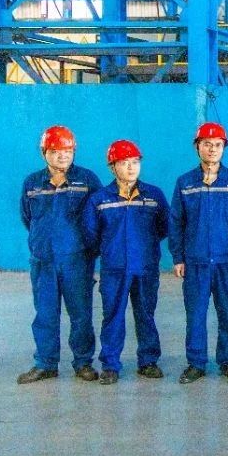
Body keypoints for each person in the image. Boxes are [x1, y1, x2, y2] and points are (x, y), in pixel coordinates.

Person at [169, 122, 228, 384]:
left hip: (227, 261)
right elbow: (176, 222)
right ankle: (196, 363)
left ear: (224, 148)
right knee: (195, 315)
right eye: (207, 144)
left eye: (218, 145)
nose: (212, 149)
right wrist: (178, 257)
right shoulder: (185, 183)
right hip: (195, 261)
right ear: (197, 147)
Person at [17, 126, 103, 384]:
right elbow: (27, 217)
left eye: (67, 150)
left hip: (77, 261)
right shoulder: (32, 183)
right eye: (55, 151)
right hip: (43, 261)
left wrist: (88, 251)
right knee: (45, 314)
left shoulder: (87, 180)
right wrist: (43, 242)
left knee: (81, 315)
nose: (62, 156)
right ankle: (45, 363)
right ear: (44, 153)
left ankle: (83, 363)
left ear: (74, 151)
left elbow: (99, 217)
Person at [82, 140, 169, 385]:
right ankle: (110, 365)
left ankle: (148, 361)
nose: (131, 167)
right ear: (112, 167)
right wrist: (111, 251)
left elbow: (164, 227)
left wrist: (145, 247)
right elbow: (90, 234)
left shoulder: (154, 196)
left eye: (135, 162)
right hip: (114, 269)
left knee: (146, 314)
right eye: (124, 163)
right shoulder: (99, 199)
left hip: (145, 266)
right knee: (113, 316)